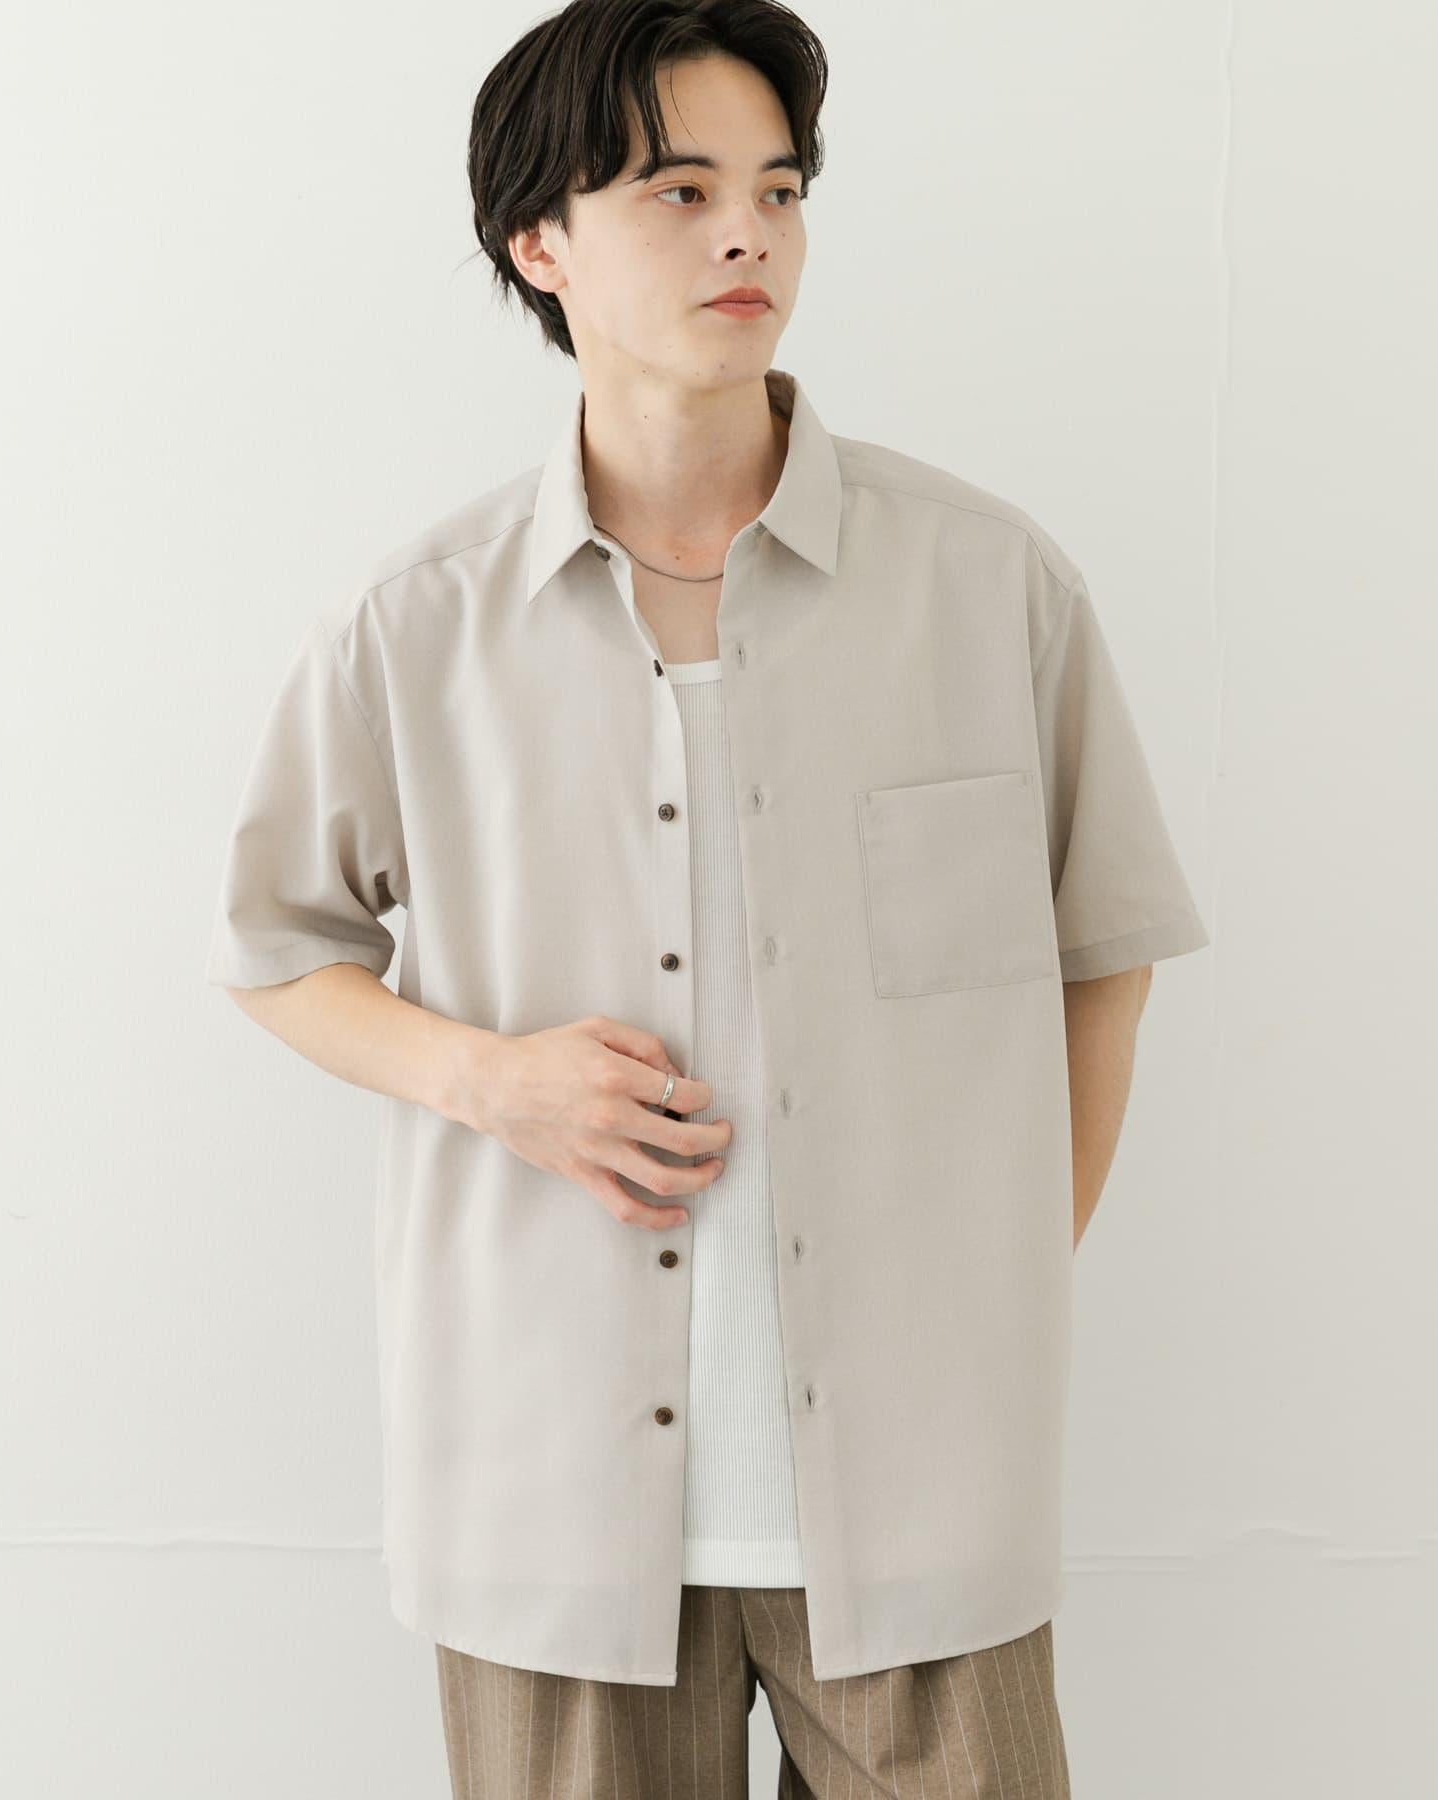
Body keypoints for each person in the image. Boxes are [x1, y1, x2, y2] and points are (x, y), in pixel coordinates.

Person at [205, 4, 1210, 1794]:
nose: (749, 232)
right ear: (540, 241)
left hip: (924, 1494)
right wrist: (490, 1080)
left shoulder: (987, 586)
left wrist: (987, 1279)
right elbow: (279, 949)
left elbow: (1101, 958)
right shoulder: (416, 626)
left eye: (779, 188)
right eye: (679, 190)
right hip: (548, 1497)